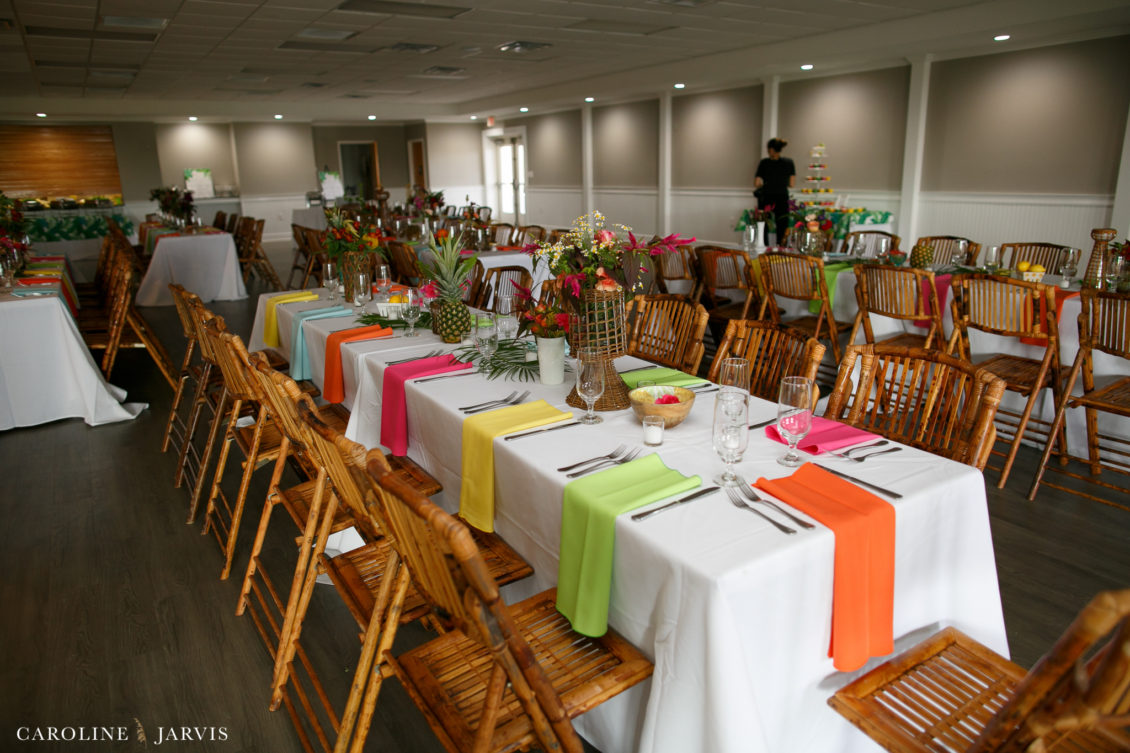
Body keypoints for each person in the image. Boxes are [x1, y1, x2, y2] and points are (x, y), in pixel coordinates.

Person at [755, 138, 795, 244]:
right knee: (782, 224)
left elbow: (757, 183)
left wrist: (766, 184)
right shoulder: (789, 162)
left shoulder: (764, 163)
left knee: (763, 224)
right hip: (782, 196)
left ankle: (763, 246)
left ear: (771, 149)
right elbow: (792, 184)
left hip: (766, 196)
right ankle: (780, 247)